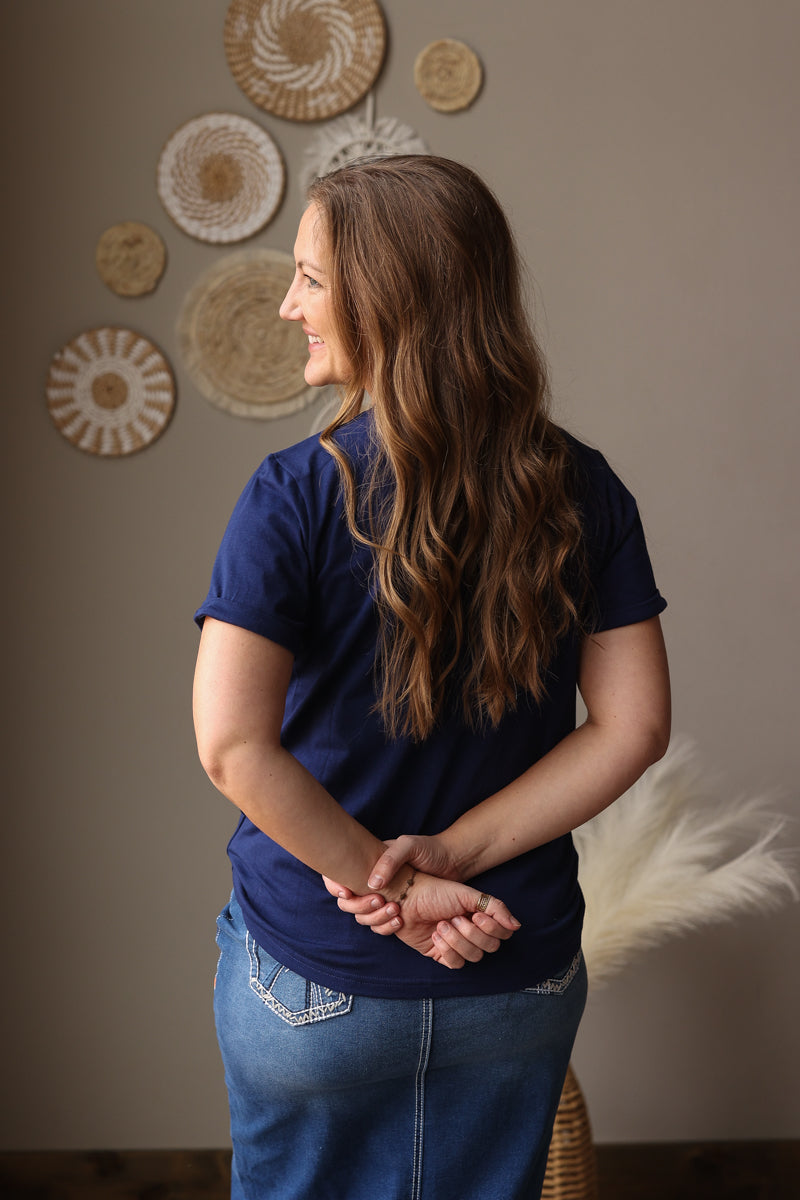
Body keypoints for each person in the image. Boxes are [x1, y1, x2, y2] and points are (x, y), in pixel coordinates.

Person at [193, 155, 670, 1200]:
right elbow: (629, 728)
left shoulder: (290, 496)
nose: (286, 305)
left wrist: (386, 879)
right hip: (511, 972)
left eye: (311, 279)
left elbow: (231, 745)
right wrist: (437, 859)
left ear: (387, 296)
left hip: (313, 980)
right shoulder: (585, 490)